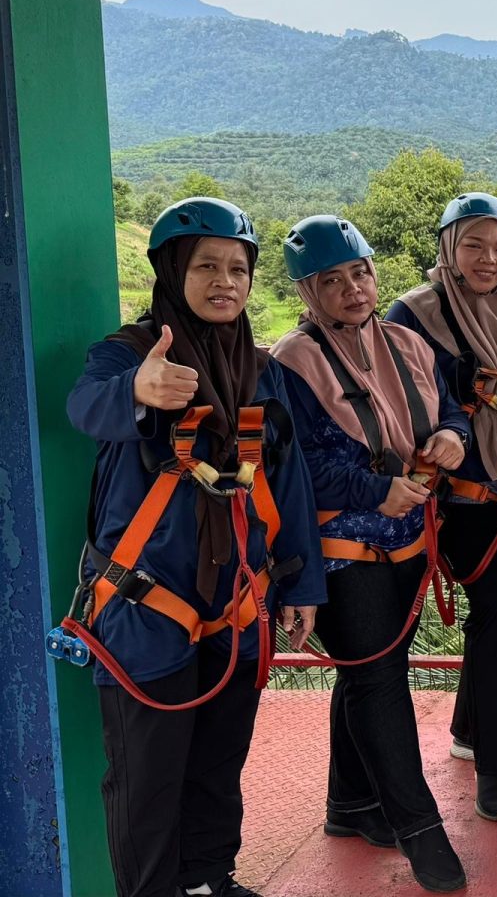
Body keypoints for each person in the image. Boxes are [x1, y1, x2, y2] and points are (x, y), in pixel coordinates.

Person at [65, 196, 324, 897]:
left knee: (218, 759)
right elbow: (85, 406)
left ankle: (209, 879)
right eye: (207, 266)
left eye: (238, 268)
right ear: (172, 271)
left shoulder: (263, 373)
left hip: (236, 597)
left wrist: (301, 586)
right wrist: (138, 389)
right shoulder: (128, 354)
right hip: (147, 603)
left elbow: (289, 482)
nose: (225, 281)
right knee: (147, 776)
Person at [270, 215, 471, 892]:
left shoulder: (407, 345)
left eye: (360, 274)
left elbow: (452, 409)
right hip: (339, 554)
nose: (354, 289)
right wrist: (376, 490)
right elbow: (296, 464)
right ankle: (421, 831)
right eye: (333, 281)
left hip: (408, 542)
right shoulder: (290, 365)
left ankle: (350, 804)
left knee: (366, 675)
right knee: (379, 681)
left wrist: (453, 436)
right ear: (308, 291)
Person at [386, 192, 497, 822]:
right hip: (461, 496)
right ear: (448, 248)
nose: (489, 259)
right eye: (474, 245)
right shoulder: (413, 315)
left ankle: (469, 728)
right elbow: (403, 400)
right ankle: (496, 766)